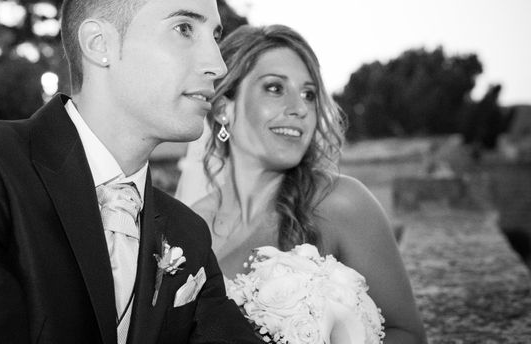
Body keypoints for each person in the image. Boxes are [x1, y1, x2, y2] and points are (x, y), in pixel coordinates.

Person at [0, 0, 261, 344]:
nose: (218, 66)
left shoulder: (187, 232)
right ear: (99, 44)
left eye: (216, 36)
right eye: (184, 29)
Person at [176, 24, 428, 344]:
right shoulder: (189, 228)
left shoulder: (341, 203)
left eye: (308, 94)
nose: (299, 109)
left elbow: (407, 334)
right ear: (225, 109)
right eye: (275, 88)